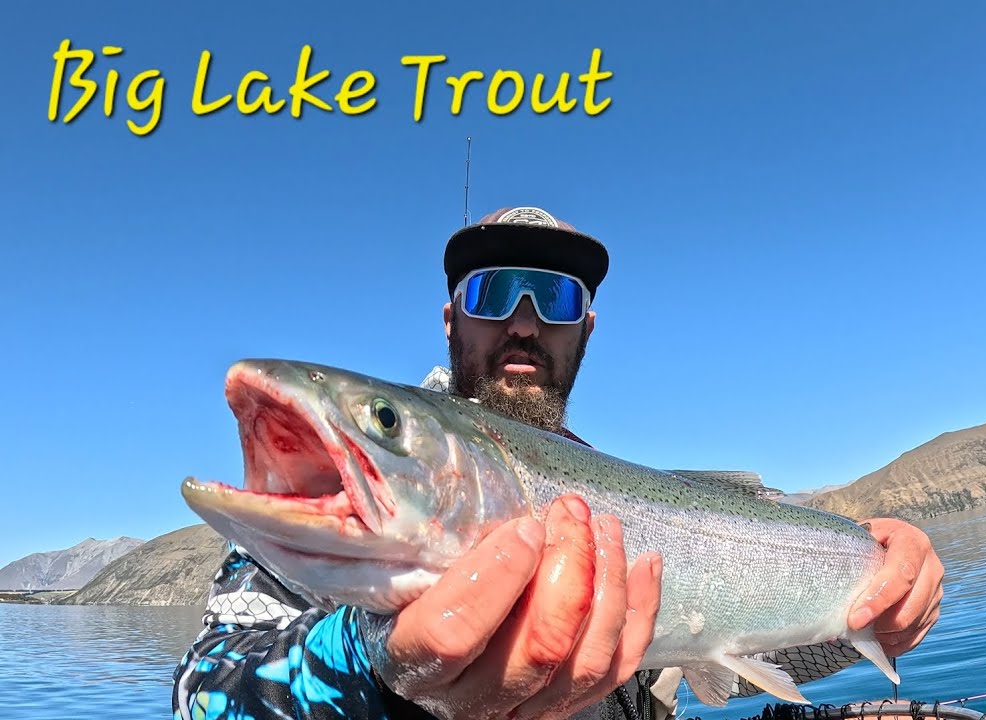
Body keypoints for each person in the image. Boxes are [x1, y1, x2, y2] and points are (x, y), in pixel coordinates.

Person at [172, 206, 945, 720]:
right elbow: (203, 698)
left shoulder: (614, 486)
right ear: (451, 319)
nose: (524, 323)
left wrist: (878, 612)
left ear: (586, 330)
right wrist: (373, 658)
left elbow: (725, 655)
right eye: (493, 293)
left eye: (556, 299)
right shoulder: (333, 513)